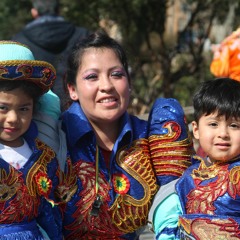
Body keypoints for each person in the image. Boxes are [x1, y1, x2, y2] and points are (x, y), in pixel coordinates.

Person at [60, 31, 193, 239]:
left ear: (129, 83)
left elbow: (177, 208)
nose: (106, 86)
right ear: (72, 89)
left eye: (117, 74)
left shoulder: (153, 138)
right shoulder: (56, 139)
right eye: (92, 77)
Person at [151, 77, 240, 239]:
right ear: (196, 130)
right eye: (213, 124)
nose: (223, 134)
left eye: (234, 125)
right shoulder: (186, 178)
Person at [0, 40, 62, 239]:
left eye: (23, 109)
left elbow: (47, 211)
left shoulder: (44, 156)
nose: (13, 119)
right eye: (3, 107)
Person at [12, 0, 91, 108]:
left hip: (37, 109)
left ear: (34, 12)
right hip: (77, 105)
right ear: (59, 10)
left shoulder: (19, 41)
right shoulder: (82, 35)